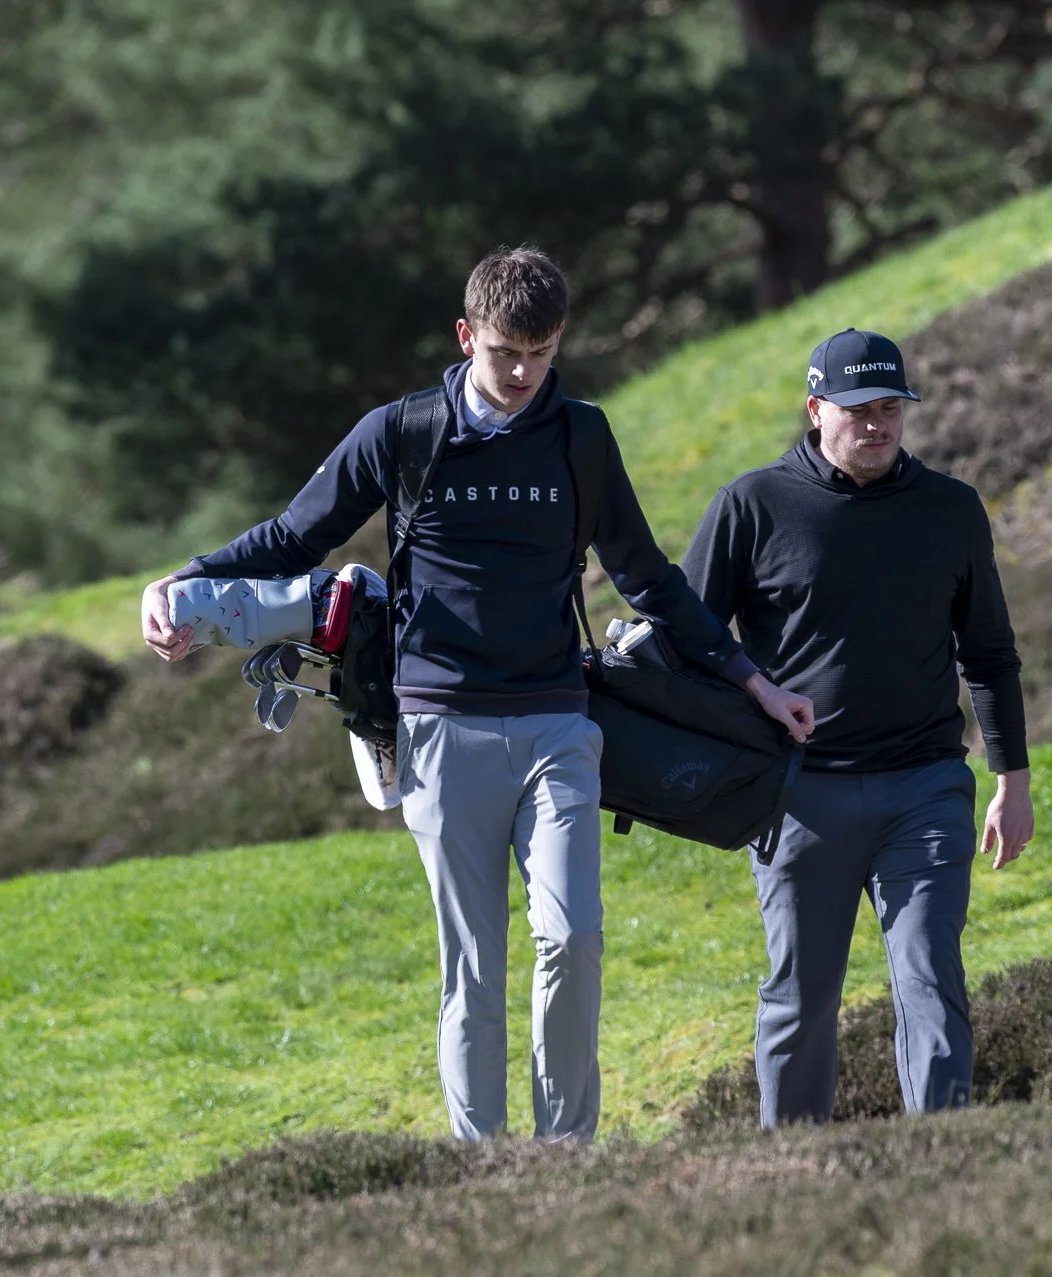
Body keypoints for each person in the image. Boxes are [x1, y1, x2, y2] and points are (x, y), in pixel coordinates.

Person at [139, 246, 814, 1143]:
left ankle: (565, 1157)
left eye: (542, 352)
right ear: (467, 337)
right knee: (474, 971)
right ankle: (481, 1169)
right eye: (506, 353)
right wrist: (185, 580)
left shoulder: (580, 435)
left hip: (558, 727)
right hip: (439, 731)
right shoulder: (403, 431)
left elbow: (648, 575)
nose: (525, 373)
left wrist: (750, 680)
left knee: (573, 939)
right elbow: (296, 535)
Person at [683, 327, 1035, 1126]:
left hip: (925, 788)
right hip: (801, 795)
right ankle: (793, 1173)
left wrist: (1012, 783)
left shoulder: (950, 509)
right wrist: (746, 705)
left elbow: (989, 653)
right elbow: (687, 638)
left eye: (889, 408)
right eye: (856, 410)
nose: (876, 425)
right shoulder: (753, 505)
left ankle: (940, 1161)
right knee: (801, 999)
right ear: (815, 410)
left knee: (929, 975)